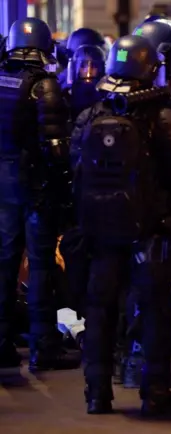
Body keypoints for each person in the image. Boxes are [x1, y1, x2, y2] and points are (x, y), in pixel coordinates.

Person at [72, 35, 171, 416]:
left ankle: (96, 393)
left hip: (101, 231)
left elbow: (73, 172)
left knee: (100, 310)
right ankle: (154, 391)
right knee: (155, 309)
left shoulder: (91, 114)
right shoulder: (162, 117)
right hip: (149, 231)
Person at [0, 17, 79, 371]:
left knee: (4, 262)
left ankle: (2, 343)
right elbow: (56, 148)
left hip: (4, 183)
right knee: (42, 264)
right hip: (34, 186)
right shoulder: (43, 86)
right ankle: (43, 346)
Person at [64, 44, 105, 121]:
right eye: (83, 66)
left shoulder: (104, 93)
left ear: (100, 68)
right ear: (76, 67)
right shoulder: (68, 93)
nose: (88, 70)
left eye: (94, 66)